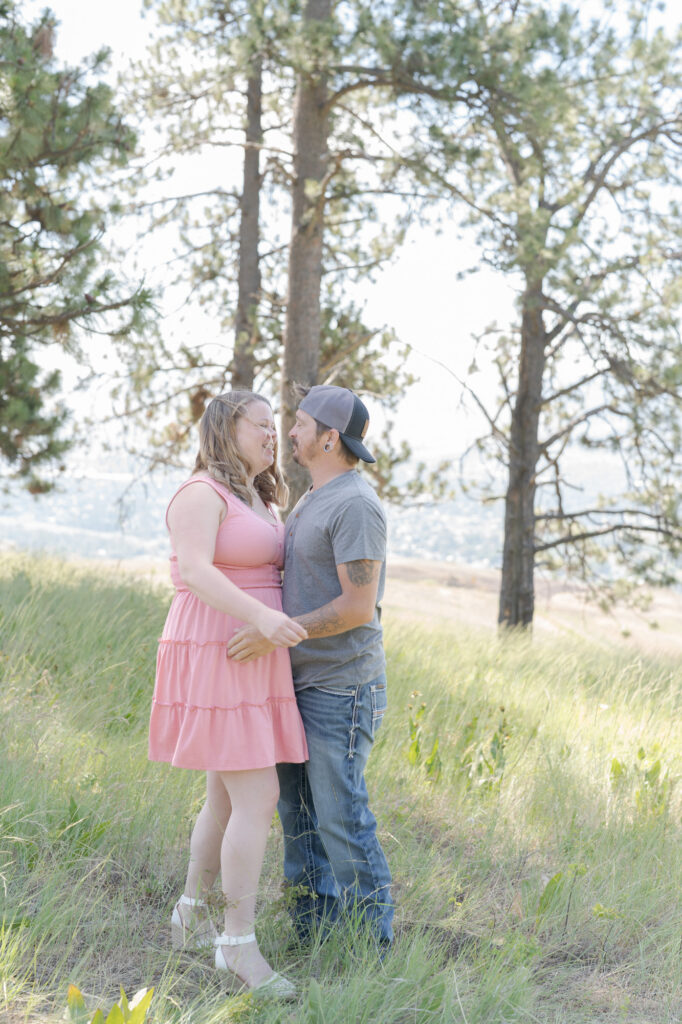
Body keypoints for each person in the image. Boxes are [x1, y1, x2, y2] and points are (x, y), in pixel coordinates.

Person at [148, 390, 309, 999]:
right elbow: (195, 570)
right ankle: (237, 943)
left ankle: (190, 914)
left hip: (253, 650)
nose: (273, 435)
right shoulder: (199, 493)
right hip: (218, 644)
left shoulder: (258, 497)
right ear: (225, 428)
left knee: (224, 793)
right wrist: (261, 620)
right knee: (257, 793)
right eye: (262, 425)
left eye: (276, 426)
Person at [228, 384, 394, 949]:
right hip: (297, 684)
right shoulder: (312, 495)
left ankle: (376, 951)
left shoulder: (355, 505)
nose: (288, 432)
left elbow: (357, 607)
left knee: (341, 822)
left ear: (329, 437)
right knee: (299, 820)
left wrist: (279, 635)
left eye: (299, 423)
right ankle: (313, 939)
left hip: (341, 689)